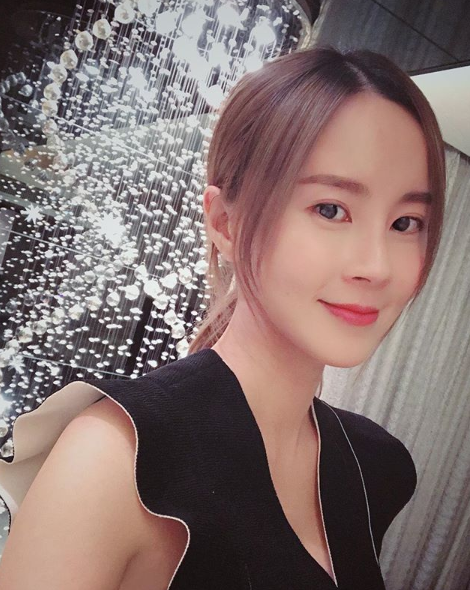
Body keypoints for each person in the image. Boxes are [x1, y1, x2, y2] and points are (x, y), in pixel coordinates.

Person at [0, 44, 446, 590]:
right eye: (330, 210)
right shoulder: (117, 459)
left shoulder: (374, 466)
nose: (376, 267)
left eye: (405, 223)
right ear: (225, 223)